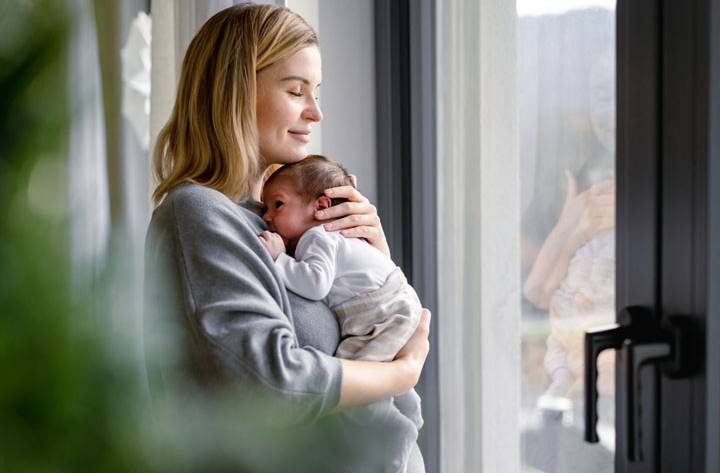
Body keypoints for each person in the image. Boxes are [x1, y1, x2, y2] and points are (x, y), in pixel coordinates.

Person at [143, 4, 430, 473]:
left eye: (316, 92)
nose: (315, 112)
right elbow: (271, 382)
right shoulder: (199, 214)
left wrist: (374, 272)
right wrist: (400, 373)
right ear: (233, 93)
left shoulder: (271, 224)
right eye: (296, 90)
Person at [258, 155, 424, 472]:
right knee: (380, 376)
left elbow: (315, 284)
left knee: (358, 392)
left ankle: (397, 431)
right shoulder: (329, 237)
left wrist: (278, 259)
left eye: (277, 205)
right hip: (390, 304)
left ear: (321, 205)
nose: (267, 216)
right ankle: (409, 413)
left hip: (381, 312)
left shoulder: (317, 237)